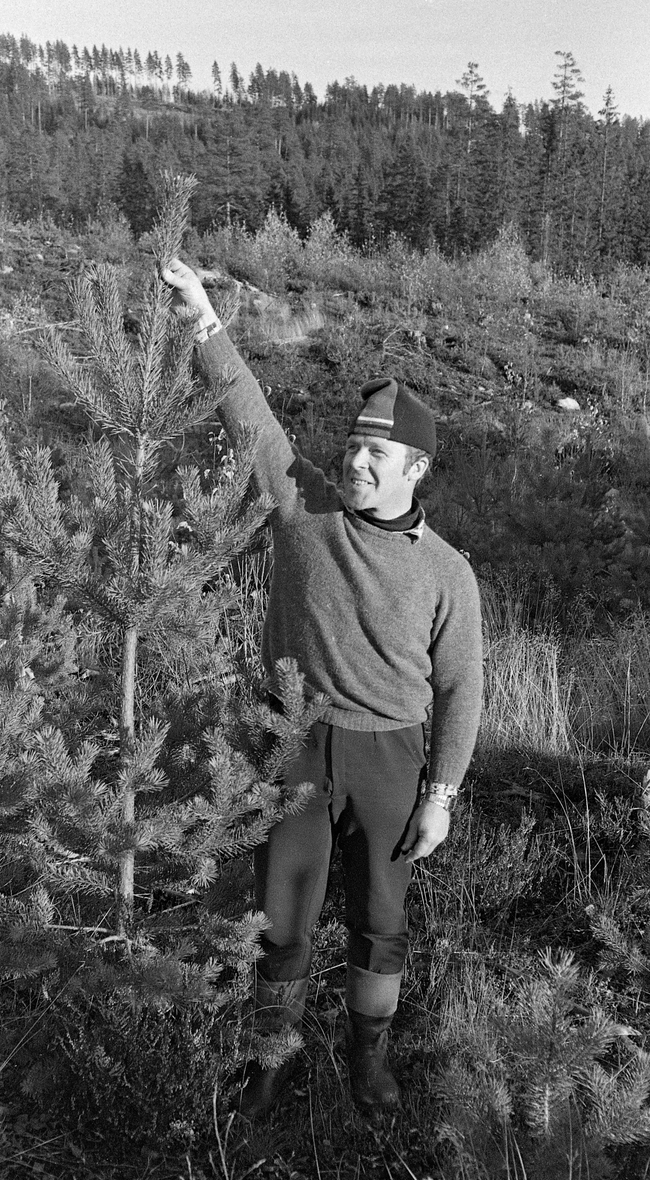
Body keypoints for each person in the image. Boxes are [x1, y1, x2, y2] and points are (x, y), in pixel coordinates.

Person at [162, 258, 484, 1120]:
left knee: (381, 921)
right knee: (281, 918)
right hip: (292, 741)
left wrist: (441, 795)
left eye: (375, 453)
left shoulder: (448, 574)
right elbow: (251, 418)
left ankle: (366, 1060)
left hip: (389, 758)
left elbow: (460, 689)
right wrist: (201, 313)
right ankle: (272, 1060)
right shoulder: (302, 507)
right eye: (350, 446)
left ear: (414, 469)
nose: (353, 462)